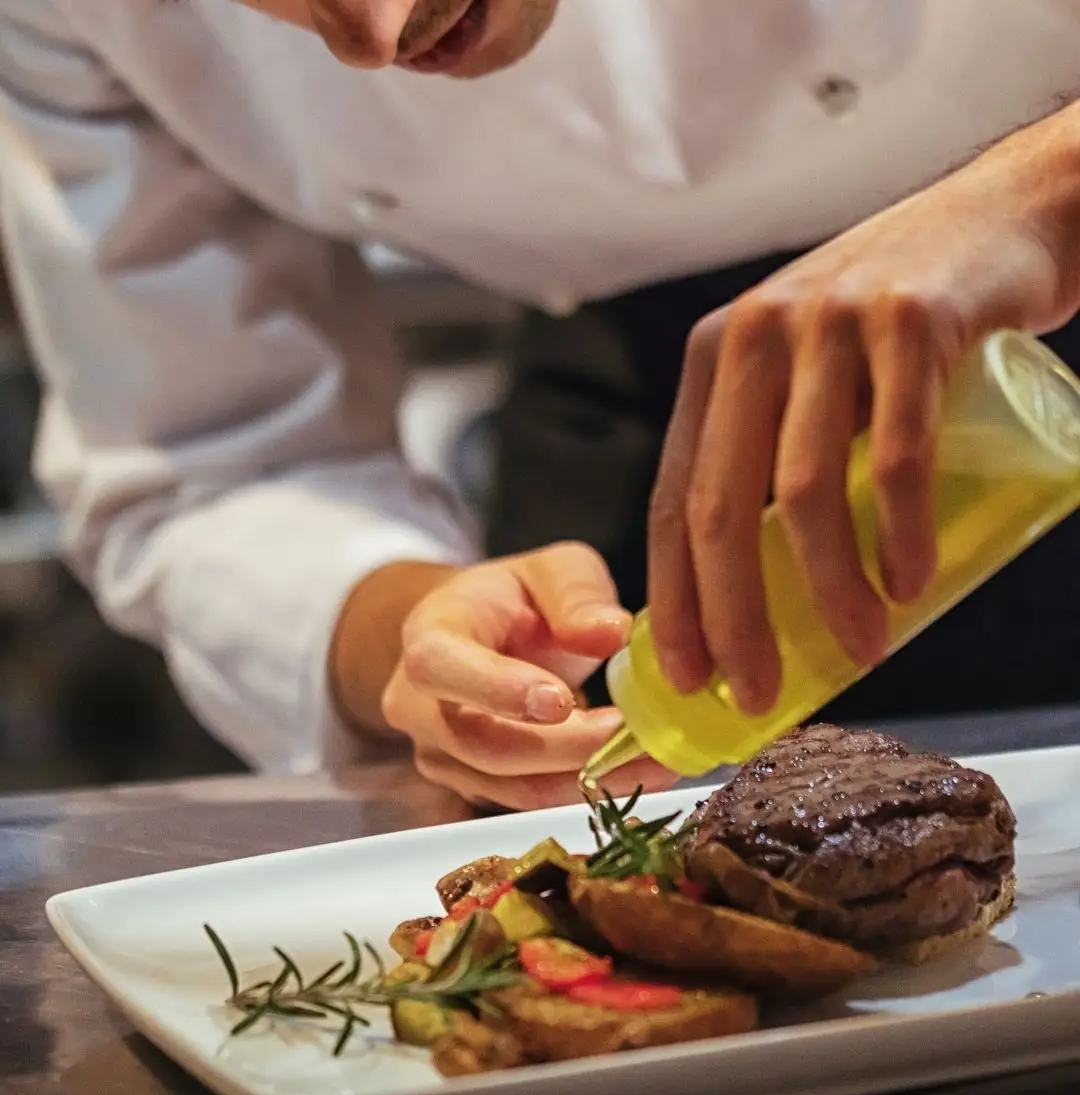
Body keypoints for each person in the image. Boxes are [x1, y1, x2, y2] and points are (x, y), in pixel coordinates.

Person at [1, 0, 1080, 810]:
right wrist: (409, 630)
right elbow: (214, 457)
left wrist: (1040, 199)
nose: (376, 35)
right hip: (637, 449)